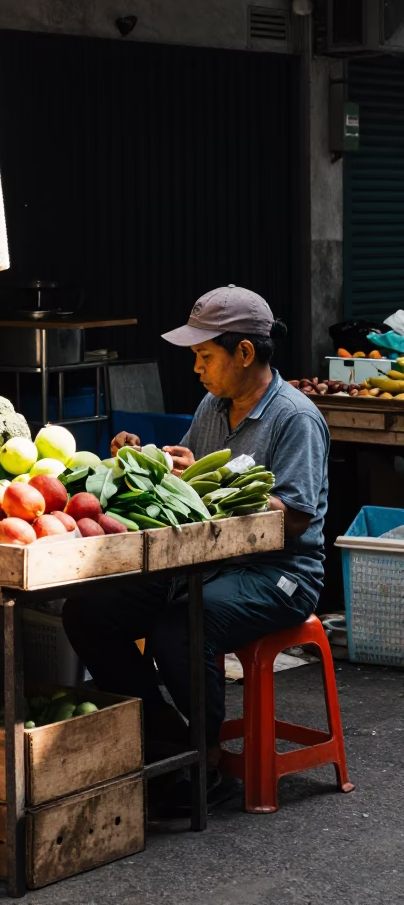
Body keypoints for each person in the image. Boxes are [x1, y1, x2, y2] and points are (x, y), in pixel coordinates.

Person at [62, 284, 329, 811]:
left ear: (245, 352)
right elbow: (192, 481)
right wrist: (151, 461)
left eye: (205, 356)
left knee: (180, 627)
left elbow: (296, 518)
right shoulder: (214, 405)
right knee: (89, 612)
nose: (197, 369)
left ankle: (206, 767)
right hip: (204, 561)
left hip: (281, 572)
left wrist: (217, 488)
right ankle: (166, 737)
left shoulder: (294, 418)